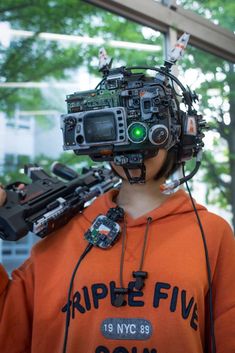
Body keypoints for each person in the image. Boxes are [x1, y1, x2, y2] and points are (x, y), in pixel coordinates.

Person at [0, 144, 234, 353]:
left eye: (147, 125)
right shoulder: (60, 237)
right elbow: (8, 328)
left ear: (179, 136)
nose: (134, 139)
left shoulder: (211, 233)